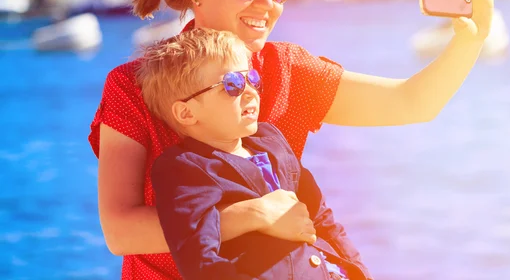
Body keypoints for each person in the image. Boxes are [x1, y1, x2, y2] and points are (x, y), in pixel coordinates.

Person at [91, 0, 495, 280]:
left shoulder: (289, 71)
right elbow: (121, 231)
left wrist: (471, 40)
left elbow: (414, 103)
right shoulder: (134, 85)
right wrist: (249, 216)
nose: (267, 3)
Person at [136, 27, 372, 279]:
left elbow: (322, 217)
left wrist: (360, 272)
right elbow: (199, 260)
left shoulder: (271, 140)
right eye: (231, 85)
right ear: (186, 113)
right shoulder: (183, 167)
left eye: (252, 79)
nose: (250, 91)